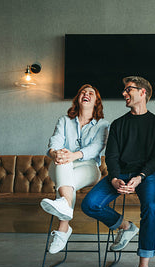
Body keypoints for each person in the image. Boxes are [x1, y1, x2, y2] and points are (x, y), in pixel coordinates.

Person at [82, 76, 155, 267]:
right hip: (120, 174)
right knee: (89, 203)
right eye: (124, 90)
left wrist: (139, 177)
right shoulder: (119, 124)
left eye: (129, 89)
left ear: (143, 93)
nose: (124, 93)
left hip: (147, 175)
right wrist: (116, 178)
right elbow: (111, 156)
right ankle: (126, 227)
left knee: (150, 208)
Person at [41, 84, 109, 254]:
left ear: (96, 101)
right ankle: (64, 220)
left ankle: (63, 225)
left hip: (89, 168)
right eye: (82, 92)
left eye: (91, 93)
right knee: (63, 161)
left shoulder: (103, 124)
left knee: (65, 171)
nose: (86, 94)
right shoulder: (64, 121)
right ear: (78, 99)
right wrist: (55, 153)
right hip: (61, 165)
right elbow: (55, 140)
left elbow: (96, 147)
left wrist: (72, 155)